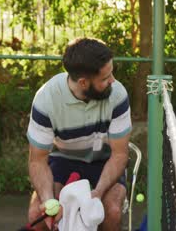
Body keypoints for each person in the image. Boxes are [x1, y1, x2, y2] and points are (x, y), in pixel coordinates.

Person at [26, 38, 132, 231]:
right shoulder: (45, 99)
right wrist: (50, 202)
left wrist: (97, 193)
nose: (113, 80)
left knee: (112, 211)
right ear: (83, 82)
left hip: (106, 162)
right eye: (105, 78)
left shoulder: (118, 94)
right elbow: (37, 161)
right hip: (63, 161)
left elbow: (120, 155)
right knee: (37, 215)